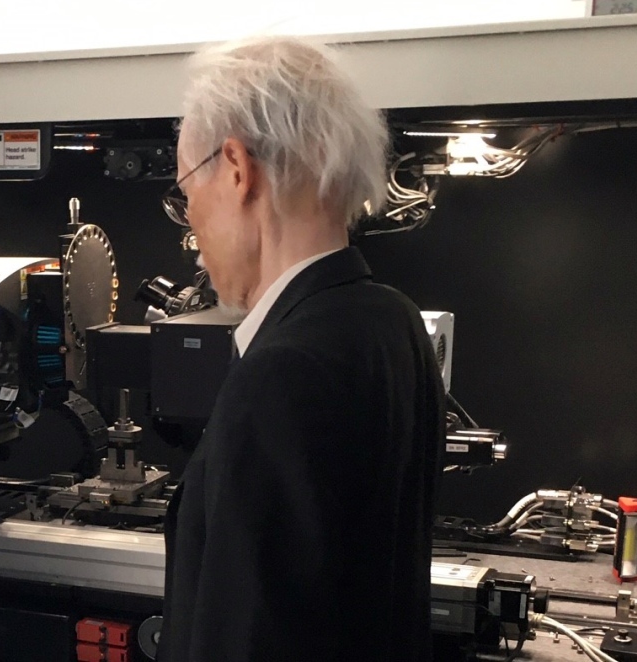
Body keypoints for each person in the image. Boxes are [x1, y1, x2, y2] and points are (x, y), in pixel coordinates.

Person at [157, 36, 445, 662]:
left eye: (186, 195)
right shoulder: (393, 325)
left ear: (236, 168)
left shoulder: (282, 374)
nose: (193, 231)